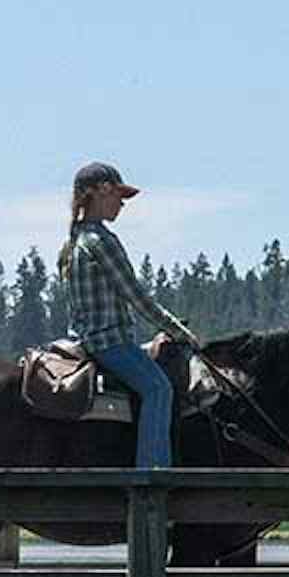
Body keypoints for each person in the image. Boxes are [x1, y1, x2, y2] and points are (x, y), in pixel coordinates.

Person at [57, 161, 199, 470]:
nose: (121, 203)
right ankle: (152, 471)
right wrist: (179, 332)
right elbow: (136, 296)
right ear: (97, 193)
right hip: (109, 341)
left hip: (81, 338)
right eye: (117, 195)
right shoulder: (101, 241)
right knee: (158, 388)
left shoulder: (72, 243)